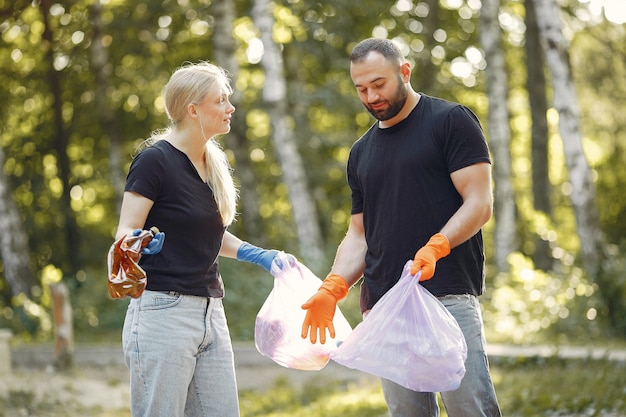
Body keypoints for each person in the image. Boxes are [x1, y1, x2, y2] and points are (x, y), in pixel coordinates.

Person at [301, 38, 502, 417]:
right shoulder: (361, 151)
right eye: (361, 88)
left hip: (446, 295)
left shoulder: (450, 121)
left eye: (379, 84)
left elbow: (480, 202)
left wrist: (437, 246)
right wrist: (334, 285)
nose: (371, 96)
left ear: (404, 72)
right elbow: (359, 234)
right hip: (385, 304)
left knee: (471, 409)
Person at [112, 61, 293, 417]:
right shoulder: (154, 161)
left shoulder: (209, 163)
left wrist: (260, 255)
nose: (230, 107)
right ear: (193, 109)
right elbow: (123, 231)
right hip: (163, 311)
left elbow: (208, 235)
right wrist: (137, 241)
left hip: (210, 311)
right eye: (221, 100)